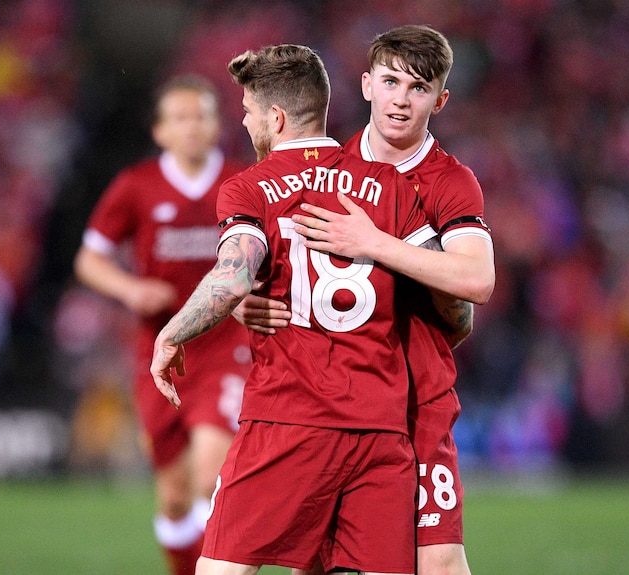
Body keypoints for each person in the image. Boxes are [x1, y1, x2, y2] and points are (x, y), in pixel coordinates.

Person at [151, 44, 437, 575]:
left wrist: (173, 334)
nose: (243, 121)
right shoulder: (391, 185)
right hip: (380, 427)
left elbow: (235, 275)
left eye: (248, 111)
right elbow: (454, 309)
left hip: (288, 417)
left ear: (275, 117)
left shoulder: (249, 186)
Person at [233, 25, 495, 575]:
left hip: (416, 404)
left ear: (440, 100)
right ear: (366, 84)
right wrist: (244, 300)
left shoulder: (448, 182)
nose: (401, 99)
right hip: (330, 405)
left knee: (441, 563)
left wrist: (376, 244)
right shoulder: (330, 164)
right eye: (391, 81)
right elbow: (273, 251)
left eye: (419, 88)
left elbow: (476, 282)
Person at [73, 75, 251, 575]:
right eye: (180, 117)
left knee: (208, 476)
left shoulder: (241, 183)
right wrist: (130, 289)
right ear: (160, 131)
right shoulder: (137, 186)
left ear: (218, 124)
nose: (192, 126)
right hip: (159, 351)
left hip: (223, 347)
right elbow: (90, 260)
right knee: (173, 497)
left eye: (202, 115)